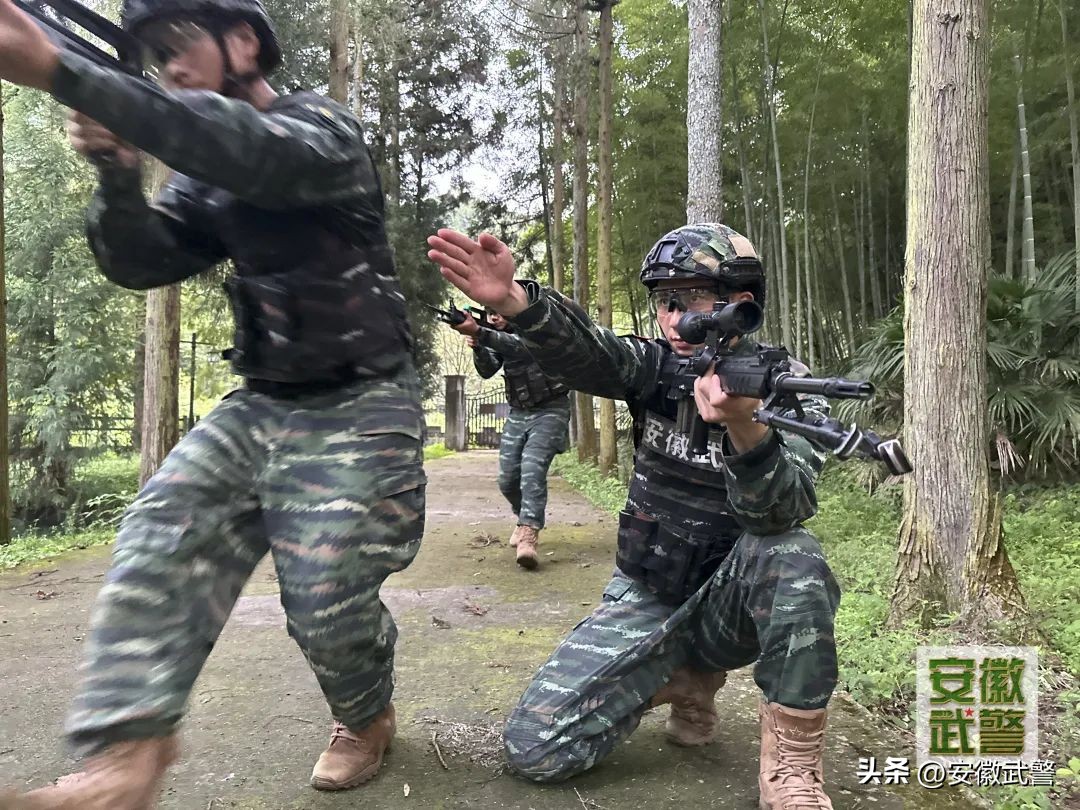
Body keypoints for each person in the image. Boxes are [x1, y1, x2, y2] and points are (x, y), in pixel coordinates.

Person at [0, 0, 425, 806]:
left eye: (178, 46)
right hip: (262, 402)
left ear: (243, 43)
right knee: (160, 526)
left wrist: (64, 67)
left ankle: (365, 715)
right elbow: (142, 261)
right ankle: (125, 753)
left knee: (325, 597)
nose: (169, 69)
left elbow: (248, 155)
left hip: (364, 401)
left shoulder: (320, 134)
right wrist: (118, 174)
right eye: (153, 59)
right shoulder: (204, 175)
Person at [428, 224, 841, 810]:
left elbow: (782, 511)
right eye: (665, 301)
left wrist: (745, 425)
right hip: (651, 588)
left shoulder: (786, 387)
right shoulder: (655, 368)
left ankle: (794, 766)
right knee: (536, 748)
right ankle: (680, 680)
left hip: (731, 606)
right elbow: (592, 352)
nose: (674, 319)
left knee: (795, 555)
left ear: (740, 305)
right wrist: (517, 304)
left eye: (694, 298)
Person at [451, 308, 571, 569]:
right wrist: (478, 346)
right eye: (490, 313)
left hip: (551, 408)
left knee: (532, 468)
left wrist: (480, 333)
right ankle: (522, 517)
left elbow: (519, 348)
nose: (495, 318)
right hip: (519, 411)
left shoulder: (535, 327)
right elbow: (487, 370)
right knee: (507, 480)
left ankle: (529, 533)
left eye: (499, 312)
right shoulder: (495, 335)